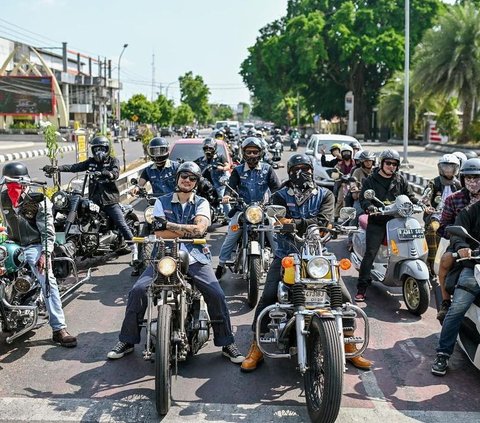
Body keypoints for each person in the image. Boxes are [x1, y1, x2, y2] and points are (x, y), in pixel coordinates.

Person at [241, 154, 371, 371]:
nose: (302, 173)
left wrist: (296, 223)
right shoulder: (279, 195)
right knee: (268, 296)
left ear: (312, 170)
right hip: (287, 256)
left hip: (318, 256)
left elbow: (324, 222)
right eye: (297, 169)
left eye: (306, 168)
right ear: (290, 172)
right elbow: (279, 221)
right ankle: (256, 345)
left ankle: (348, 343)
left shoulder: (325, 195)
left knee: (345, 298)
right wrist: (300, 223)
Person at [107, 162, 245, 363]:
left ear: (196, 183)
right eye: (184, 176)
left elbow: (199, 230)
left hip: (195, 256)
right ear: (177, 178)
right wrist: (184, 228)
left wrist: (170, 225)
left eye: (192, 178)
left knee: (215, 293)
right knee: (138, 290)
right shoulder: (161, 202)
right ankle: (127, 340)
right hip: (163, 255)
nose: (187, 180)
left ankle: (227, 343)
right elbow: (159, 232)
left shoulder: (202, 202)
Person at [0, 162, 77, 347]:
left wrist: (45, 254)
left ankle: (59, 329)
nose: (10, 188)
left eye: (14, 184)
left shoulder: (39, 200)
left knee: (47, 278)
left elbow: (48, 233)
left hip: (35, 246)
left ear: (24, 184)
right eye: (7, 184)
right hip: (11, 244)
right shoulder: (3, 198)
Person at [42, 135, 138, 276]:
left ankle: (135, 249)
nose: (99, 152)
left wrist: (105, 174)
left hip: (109, 200)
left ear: (106, 149)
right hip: (94, 199)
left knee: (121, 223)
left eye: (102, 149)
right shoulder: (91, 162)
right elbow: (75, 167)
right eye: (96, 149)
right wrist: (56, 168)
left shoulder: (113, 161)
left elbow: (115, 173)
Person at [355, 149, 418, 301]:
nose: (391, 166)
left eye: (394, 164)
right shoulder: (371, 180)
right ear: (382, 163)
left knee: (412, 245)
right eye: (388, 163)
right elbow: (364, 199)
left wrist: (421, 203)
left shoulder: (400, 179)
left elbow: (410, 196)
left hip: (398, 220)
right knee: (371, 252)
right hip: (378, 221)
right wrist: (369, 207)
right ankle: (362, 287)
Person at [215, 137, 281, 280]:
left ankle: (280, 265)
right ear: (243, 153)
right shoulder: (237, 170)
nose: (252, 155)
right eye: (249, 152)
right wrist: (227, 196)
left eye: (255, 152)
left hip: (262, 209)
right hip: (242, 209)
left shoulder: (267, 169)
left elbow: (276, 188)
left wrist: (278, 197)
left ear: (260, 153)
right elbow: (230, 188)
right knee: (231, 234)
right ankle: (220, 265)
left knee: (274, 233)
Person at [431, 198, 480, 376]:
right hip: (474, 267)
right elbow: (457, 235)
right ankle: (443, 354)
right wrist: (462, 248)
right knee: (457, 307)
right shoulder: (470, 211)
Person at [435, 158, 480, 321]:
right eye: (469, 178)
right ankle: (445, 302)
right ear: (463, 179)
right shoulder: (453, 199)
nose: (473, 182)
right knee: (446, 259)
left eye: (477, 178)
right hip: (460, 243)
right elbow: (443, 226)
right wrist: (457, 237)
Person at [422, 154, 461, 281]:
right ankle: (432, 263)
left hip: (454, 217)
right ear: (441, 168)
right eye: (446, 167)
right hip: (436, 215)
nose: (449, 170)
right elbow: (426, 197)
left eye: (451, 167)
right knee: (433, 229)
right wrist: (427, 206)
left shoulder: (459, 184)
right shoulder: (434, 182)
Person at [194, 137, 231, 216]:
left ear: (214, 148)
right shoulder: (201, 160)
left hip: (218, 184)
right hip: (204, 185)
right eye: (206, 148)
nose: (208, 150)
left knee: (223, 199)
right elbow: (192, 165)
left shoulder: (220, 157)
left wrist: (222, 168)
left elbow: (228, 166)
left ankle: (230, 218)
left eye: (210, 148)